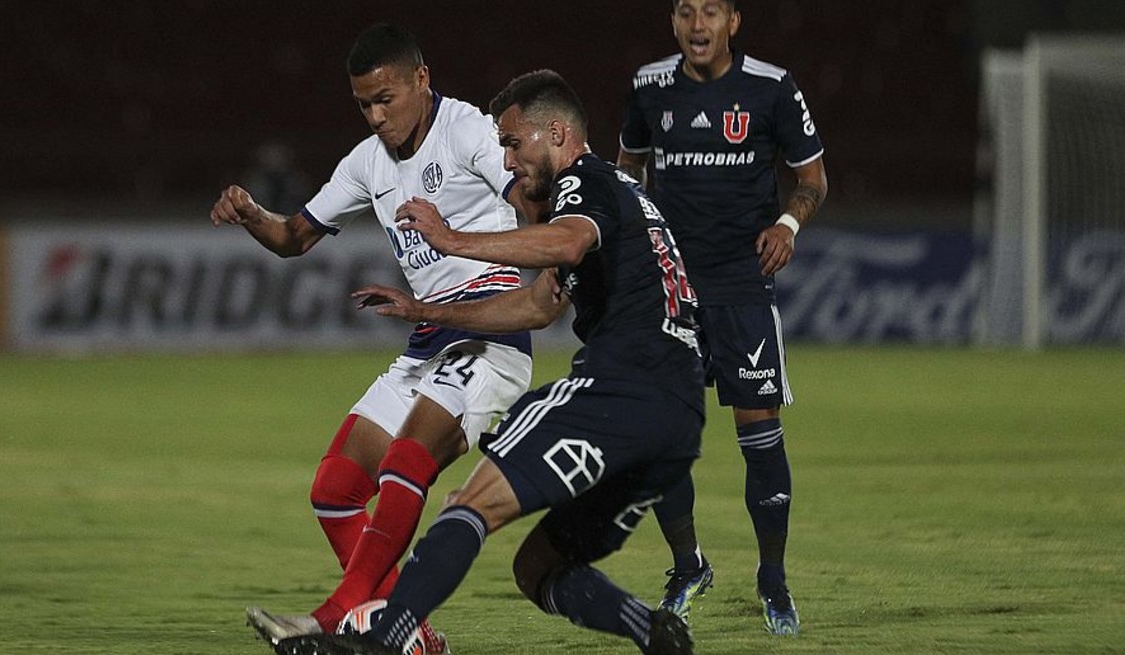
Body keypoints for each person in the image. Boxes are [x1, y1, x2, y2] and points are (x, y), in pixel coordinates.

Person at [273, 69, 707, 655]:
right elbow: (534, 306)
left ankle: (385, 640)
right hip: (678, 416)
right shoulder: (630, 199)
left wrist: (452, 240)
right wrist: (425, 308)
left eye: (512, 143)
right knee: (539, 568)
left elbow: (566, 242)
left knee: (468, 506)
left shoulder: (584, 181)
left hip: (620, 389)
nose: (506, 162)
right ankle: (652, 632)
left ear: (556, 133)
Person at [209, 23, 544, 653]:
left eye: (386, 99)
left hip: (490, 337)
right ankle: (407, 632)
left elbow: (531, 204)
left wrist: (473, 243)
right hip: (425, 338)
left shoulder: (468, 130)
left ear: (422, 79)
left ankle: (341, 617)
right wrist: (256, 216)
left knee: (405, 462)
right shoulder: (366, 162)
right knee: (334, 489)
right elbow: (294, 237)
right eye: (364, 104)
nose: (376, 115)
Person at [617, 0, 828, 636]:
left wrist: (788, 224)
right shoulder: (649, 86)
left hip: (741, 287)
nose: (698, 24)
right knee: (660, 436)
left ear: (733, 20)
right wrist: (634, 232)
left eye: (711, 11)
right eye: (686, 11)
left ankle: (773, 578)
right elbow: (628, 167)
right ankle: (689, 565)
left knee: (759, 436)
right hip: (672, 290)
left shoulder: (771, 87)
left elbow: (812, 178)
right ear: (674, 20)